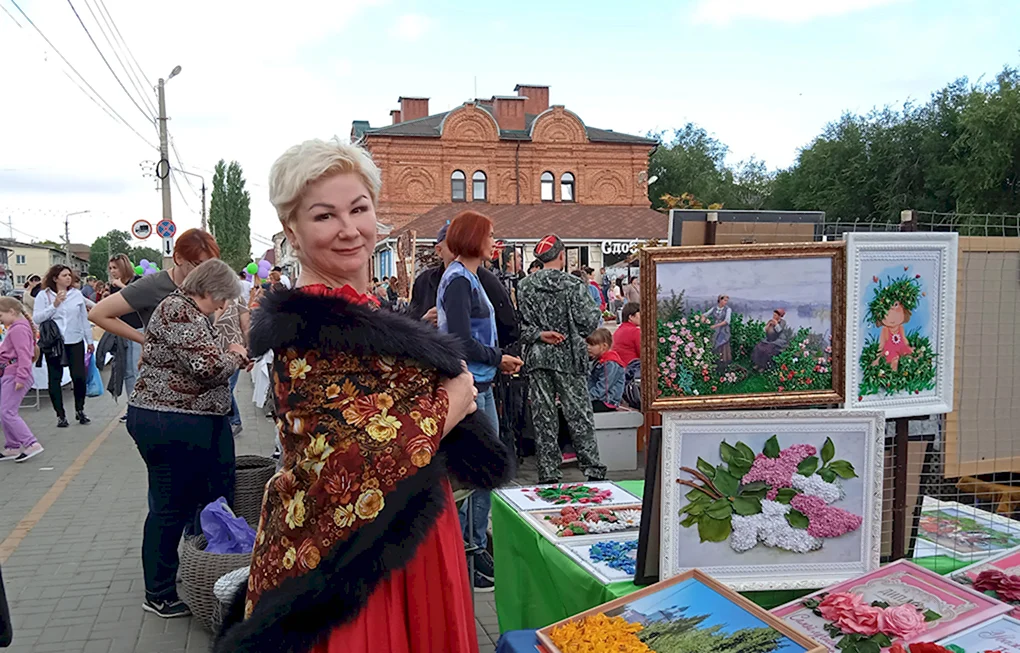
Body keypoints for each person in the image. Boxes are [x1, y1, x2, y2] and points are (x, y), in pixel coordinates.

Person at [215, 138, 512, 653]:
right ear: (292, 231)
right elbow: (348, 459)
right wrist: (453, 401)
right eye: (325, 216)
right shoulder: (307, 326)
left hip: (404, 526)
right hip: (357, 554)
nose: (349, 229)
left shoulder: (360, 310)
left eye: (359, 208)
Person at [126, 259, 247, 619]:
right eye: (222, 299)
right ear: (208, 289)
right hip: (170, 423)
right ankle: (159, 592)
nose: (223, 307)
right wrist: (235, 356)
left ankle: (202, 570)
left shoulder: (190, 312)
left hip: (187, 421)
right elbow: (207, 369)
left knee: (199, 496)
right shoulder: (179, 310)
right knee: (169, 508)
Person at [436, 210, 523, 593]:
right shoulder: (459, 281)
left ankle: (475, 549)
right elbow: (457, 339)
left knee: (486, 472)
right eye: (489, 235)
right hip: (469, 390)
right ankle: (472, 553)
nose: (494, 241)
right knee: (479, 473)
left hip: (480, 384)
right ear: (474, 239)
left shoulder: (468, 278)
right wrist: (496, 357)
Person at [517, 234, 606, 484]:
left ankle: (548, 471)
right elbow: (589, 322)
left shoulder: (524, 286)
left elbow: (520, 326)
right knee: (579, 414)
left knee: (544, 416)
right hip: (569, 357)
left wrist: (538, 334)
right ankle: (592, 469)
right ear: (561, 256)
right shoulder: (575, 285)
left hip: (538, 356)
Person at [89, 229, 221, 344]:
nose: (205, 272)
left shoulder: (206, 284)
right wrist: (144, 340)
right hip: (165, 370)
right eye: (198, 264)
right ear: (179, 258)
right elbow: (98, 314)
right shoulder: (153, 285)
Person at [409, 225, 519, 350]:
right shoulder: (424, 282)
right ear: (439, 251)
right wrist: (423, 322)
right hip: (433, 357)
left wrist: (499, 358)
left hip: (478, 363)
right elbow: (409, 326)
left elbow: (508, 327)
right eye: (454, 247)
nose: (460, 252)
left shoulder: (488, 281)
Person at [33, 264, 94, 428]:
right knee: (55, 378)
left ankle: (80, 410)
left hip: (75, 340)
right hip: (55, 343)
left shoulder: (76, 295)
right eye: (64, 275)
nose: (68, 278)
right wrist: (55, 304)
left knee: (79, 377)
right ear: (55, 278)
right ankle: (60, 415)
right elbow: (37, 318)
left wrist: (89, 340)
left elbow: (83, 318)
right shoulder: (43, 295)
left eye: (69, 275)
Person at [0, 297, 43, 462]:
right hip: (11, 373)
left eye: (1, 315)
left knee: (7, 412)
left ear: (11, 312)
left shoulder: (18, 329)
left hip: (15, 374)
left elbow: (24, 354)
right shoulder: (18, 327)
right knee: (5, 411)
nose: (1, 320)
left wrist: (21, 376)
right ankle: (12, 446)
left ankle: (31, 443)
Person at [107, 255, 145, 405]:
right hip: (122, 331)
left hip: (138, 329)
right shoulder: (113, 286)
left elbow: (139, 301)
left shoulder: (138, 281)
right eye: (110, 268)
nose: (112, 271)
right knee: (127, 371)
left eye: (115, 268)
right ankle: (132, 404)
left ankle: (139, 404)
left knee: (136, 369)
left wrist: (122, 287)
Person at [213, 288, 251, 436]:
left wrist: (249, 350)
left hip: (234, 350)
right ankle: (228, 421)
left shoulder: (237, 298)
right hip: (212, 351)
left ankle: (234, 421)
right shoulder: (203, 298)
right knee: (221, 388)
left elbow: (246, 326)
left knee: (226, 387)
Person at [587, 328, 625, 413]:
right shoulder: (599, 361)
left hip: (607, 401)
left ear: (604, 346)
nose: (588, 347)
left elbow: (603, 387)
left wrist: (585, 397)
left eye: (592, 345)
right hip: (599, 399)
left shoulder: (610, 363)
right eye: (588, 344)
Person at [707, 294, 733, 371]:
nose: (726, 302)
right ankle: (715, 363)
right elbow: (706, 314)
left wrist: (715, 326)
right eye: (724, 300)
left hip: (723, 330)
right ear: (720, 300)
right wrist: (703, 319)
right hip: (715, 331)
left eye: (726, 301)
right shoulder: (714, 308)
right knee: (714, 344)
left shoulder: (728, 309)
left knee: (722, 344)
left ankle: (724, 364)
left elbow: (727, 321)